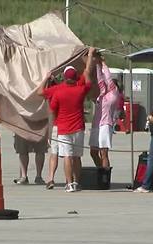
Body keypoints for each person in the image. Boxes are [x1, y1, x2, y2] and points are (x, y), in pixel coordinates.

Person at [47, 47, 96, 192]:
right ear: (75, 77)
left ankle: (69, 184)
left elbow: (52, 111)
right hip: (78, 128)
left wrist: (50, 131)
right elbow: (87, 74)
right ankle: (76, 181)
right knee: (77, 157)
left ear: (64, 77)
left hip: (63, 129)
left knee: (67, 157)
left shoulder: (58, 92)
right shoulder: (81, 90)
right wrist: (91, 55)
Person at [89, 57, 121, 169]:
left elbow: (107, 79)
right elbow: (100, 80)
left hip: (105, 125)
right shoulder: (102, 94)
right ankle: (100, 171)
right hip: (95, 125)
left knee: (104, 153)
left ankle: (105, 174)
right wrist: (97, 64)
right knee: (93, 152)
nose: (109, 85)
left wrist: (102, 63)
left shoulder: (114, 95)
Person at [37, 75, 61, 190]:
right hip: (72, 127)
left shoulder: (53, 91)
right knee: (71, 156)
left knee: (54, 153)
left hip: (57, 126)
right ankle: (72, 180)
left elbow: (40, 91)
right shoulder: (73, 88)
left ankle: (51, 178)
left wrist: (46, 78)